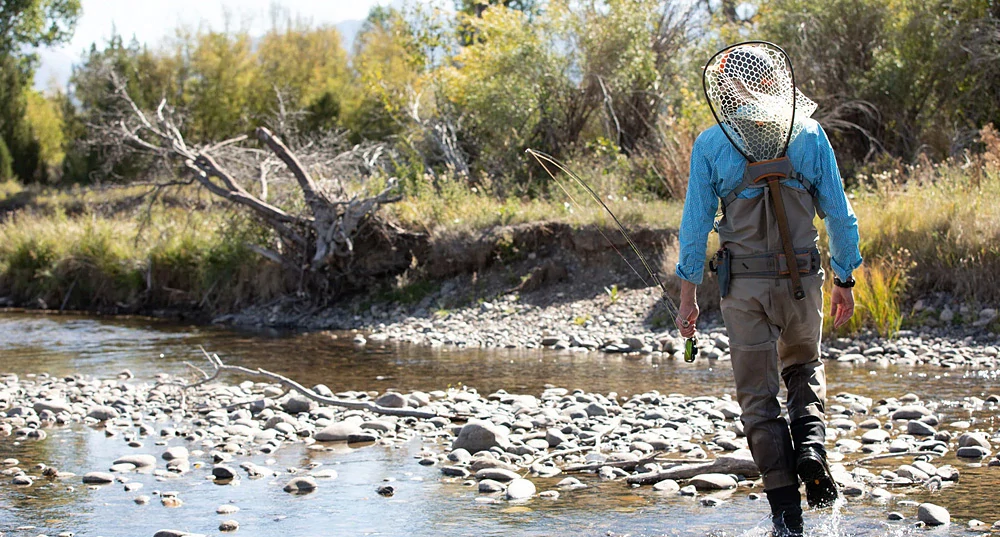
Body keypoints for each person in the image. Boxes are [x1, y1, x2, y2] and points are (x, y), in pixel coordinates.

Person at [674, 43, 863, 537]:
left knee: (758, 398)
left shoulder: (711, 144)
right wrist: (844, 278)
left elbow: (694, 229)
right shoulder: (811, 135)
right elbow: (841, 216)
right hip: (803, 281)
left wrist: (688, 295)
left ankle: (786, 518)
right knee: (803, 367)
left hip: (745, 291)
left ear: (733, 90)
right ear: (776, 84)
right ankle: (814, 452)